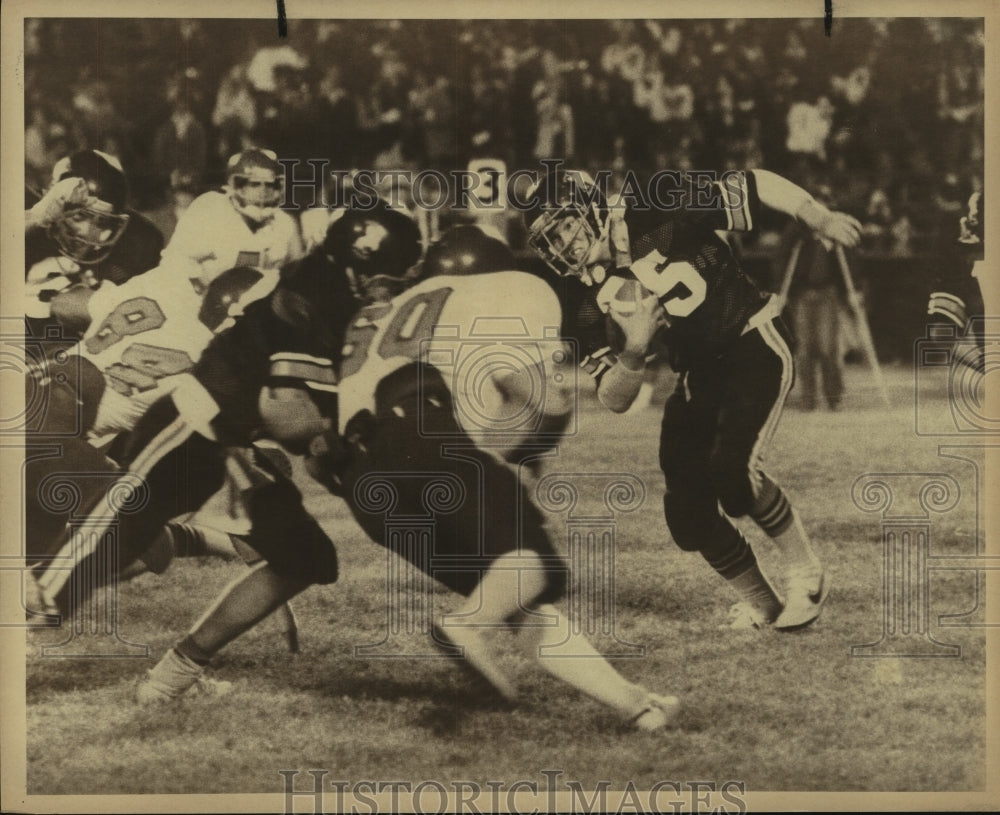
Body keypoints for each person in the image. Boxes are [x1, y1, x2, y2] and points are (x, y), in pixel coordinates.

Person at [302, 224, 678, 730]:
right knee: (534, 564)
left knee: (515, 590)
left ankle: (636, 706)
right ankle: (467, 628)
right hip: (422, 432)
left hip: (362, 484)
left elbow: (318, 452)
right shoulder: (503, 289)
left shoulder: (381, 311)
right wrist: (514, 459)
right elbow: (546, 402)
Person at [523, 166, 862, 630]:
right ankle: (764, 605)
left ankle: (806, 572)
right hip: (697, 372)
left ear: (591, 207)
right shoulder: (577, 295)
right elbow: (613, 398)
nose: (564, 243)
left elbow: (756, 183)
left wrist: (817, 216)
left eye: (566, 225)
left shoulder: (655, 207)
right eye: (551, 239)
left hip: (750, 340)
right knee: (686, 512)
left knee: (732, 472)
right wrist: (634, 354)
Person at [108, 204, 421, 701]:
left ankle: (172, 674)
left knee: (303, 555)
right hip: (194, 434)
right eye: (387, 279)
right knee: (102, 547)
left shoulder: (306, 294)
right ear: (358, 266)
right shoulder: (307, 304)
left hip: (225, 440)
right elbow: (287, 416)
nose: (391, 293)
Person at [25, 149, 164, 339]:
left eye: (103, 222)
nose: (90, 231)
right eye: (80, 215)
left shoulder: (137, 242)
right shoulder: (27, 229)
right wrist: (36, 218)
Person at [159, 148, 303, 291]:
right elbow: (173, 264)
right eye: (254, 183)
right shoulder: (210, 209)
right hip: (205, 298)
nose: (263, 190)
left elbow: (295, 277)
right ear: (237, 185)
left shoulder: (284, 222)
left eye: (270, 184)